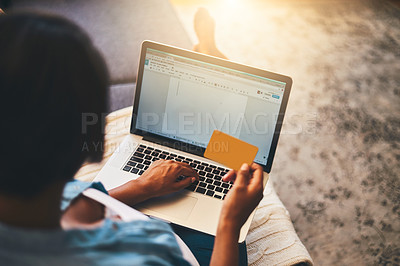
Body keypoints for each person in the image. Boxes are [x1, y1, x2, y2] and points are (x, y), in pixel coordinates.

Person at [0, 10, 264, 266]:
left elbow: (67, 212)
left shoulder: (27, 197)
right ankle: (213, 63)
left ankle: (207, 66)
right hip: (190, 251)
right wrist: (230, 223)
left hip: (132, 209)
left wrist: (143, 186)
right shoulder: (149, 256)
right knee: (237, 153)